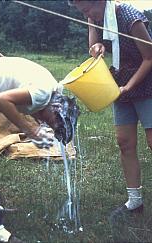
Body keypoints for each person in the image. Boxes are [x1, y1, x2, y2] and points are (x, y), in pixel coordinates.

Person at [0, 56, 79, 242]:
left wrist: (38, 127)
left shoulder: (53, 91)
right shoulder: (44, 94)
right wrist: (30, 130)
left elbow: (27, 105)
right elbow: (1, 100)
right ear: (57, 107)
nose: (44, 123)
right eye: (50, 122)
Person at [68, 0, 152, 214]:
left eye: (87, 9)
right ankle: (135, 201)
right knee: (124, 142)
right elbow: (93, 48)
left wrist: (129, 86)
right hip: (119, 82)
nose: (87, 14)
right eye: (82, 11)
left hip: (145, 82)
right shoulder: (95, 17)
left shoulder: (131, 18)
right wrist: (96, 47)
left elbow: (150, 58)